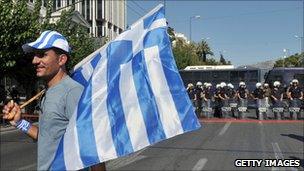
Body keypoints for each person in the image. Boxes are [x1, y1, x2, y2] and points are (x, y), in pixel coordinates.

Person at [2, 30, 105, 171]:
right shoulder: (48, 92)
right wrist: (19, 122)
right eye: (35, 55)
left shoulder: (72, 92)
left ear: (61, 59)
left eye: (43, 55)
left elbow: (92, 147)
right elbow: (47, 137)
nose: (34, 60)